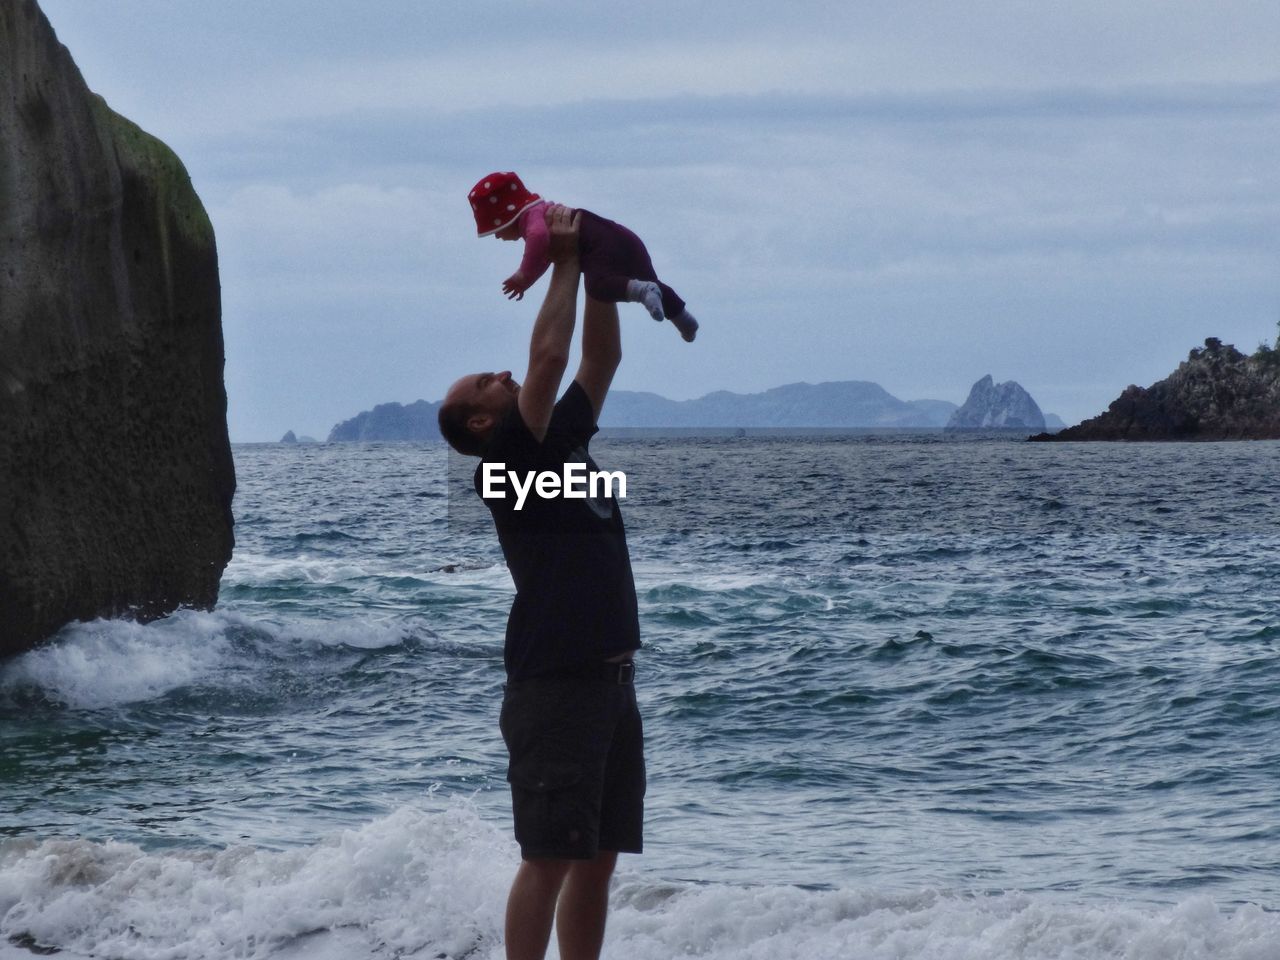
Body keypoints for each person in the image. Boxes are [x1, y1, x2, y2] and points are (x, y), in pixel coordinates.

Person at [438, 204, 645, 960]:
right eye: (486, 384)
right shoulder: (510, 463)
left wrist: (599, 276)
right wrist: (560, 260)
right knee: (549, 857)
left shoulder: (557, 438)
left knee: (598, 857)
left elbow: (597, 364)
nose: (503, 373)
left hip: (611, 681)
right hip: (556, 684)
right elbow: (550, 360)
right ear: (482, 424)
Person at [468, 170, 699, 343]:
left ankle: (642, 292)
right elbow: (545, 256)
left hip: (600, 244)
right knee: (653, 282)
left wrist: (522, 274)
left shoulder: (532, 219)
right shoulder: (542, 215)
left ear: (508, 217)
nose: (497, 236)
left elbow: (538, 240)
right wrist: (526, 282)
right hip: (624, 238)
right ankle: (683, 319)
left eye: (495, 230)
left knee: (598, 287)